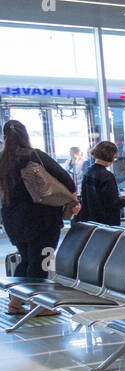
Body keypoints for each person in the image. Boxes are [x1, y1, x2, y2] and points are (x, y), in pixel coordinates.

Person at [1, 120, 80, 311]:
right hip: (41, 217)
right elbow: (66, 179)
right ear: (25, 135)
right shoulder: (34, 155)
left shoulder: (2, 160)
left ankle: (16, 302)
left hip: (12, 218)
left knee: (26, 258)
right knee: (41, 261)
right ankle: (41, 306)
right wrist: (72, 199)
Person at [75, 141, 125, 227]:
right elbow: (111, 203)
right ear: (110, 156)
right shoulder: (107, 176)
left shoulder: (88, 172)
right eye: (114, 157)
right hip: (106, 222)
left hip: (90, 220)